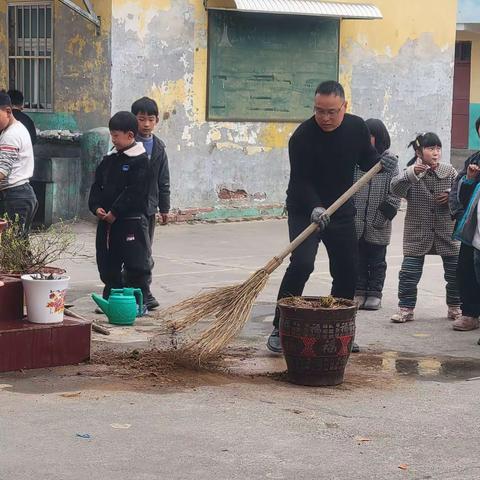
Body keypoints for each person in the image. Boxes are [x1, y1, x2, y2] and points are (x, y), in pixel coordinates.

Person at [266, 81, 397, 354]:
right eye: (319, 110)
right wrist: (314, 207)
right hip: (306, 209)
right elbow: (300, 180)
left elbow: (368, 161)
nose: (325, 117)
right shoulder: (302, 137)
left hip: (340, 209)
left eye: (332, 111)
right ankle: (281, 328)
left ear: (344, 107)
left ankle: (341, 330)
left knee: (348, 269)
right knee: (302, 264)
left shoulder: (356, 128)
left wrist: (383, 163)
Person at [390, 132, 461, 323]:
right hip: (417, 232)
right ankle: (406, 309)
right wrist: (412, 174)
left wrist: (450, 196)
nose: (435, 153)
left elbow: (462, 191)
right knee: (408, 274)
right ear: (419, 151)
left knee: (454, 273)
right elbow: (395, 189)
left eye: (438, 148)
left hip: (447, 232)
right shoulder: (410, 173)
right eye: (430, 149)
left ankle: (455, 307)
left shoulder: (450, 171)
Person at [88, 111, 152, 307]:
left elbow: (135, 192)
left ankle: (140, 300)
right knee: (107, 260)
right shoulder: (109, 159)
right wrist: (96, 207)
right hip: (107, 222)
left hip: (130, 221)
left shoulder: (141, 161)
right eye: (112, 135)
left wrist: (115, 212)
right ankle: (111, 297)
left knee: (136, 261)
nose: (113, 139)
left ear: (130, 135)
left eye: (116, 135)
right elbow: (97, 186)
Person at [128, 96, 171, 310]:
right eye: (141, 119)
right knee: (132, 252)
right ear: (134, 119)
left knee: (145, 251)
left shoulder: (159, 147)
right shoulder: (126, 143)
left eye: (150, 119)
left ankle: (143, 291)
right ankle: (134, 292)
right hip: (127, 210)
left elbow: (163, 180)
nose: (146, 124)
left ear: (156, 121)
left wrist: (164, 208)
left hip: (149, 209)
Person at [354, 119, 400, 310]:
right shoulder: (355, 160)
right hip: (356, 223)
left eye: (370, 136)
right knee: (358, 259)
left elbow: (396, 193)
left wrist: (380, 218)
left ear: (379, 138)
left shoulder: (390, 163)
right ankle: (358, 291)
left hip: (378, 223)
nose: (367, 140)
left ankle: (374, 293)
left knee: (377, 261)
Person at [450, 118, 480, 333]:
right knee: (466, 271)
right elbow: (458, 194)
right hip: (474, 230)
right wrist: (469, 179)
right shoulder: (474, 159)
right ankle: (469, 314)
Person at [0, 91, 38, 235]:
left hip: (16, 196)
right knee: (18, 246)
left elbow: (2, 171)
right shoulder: (14, 129)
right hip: (21, 194)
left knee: (14, 247)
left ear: (8, 111)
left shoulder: (11, 135)